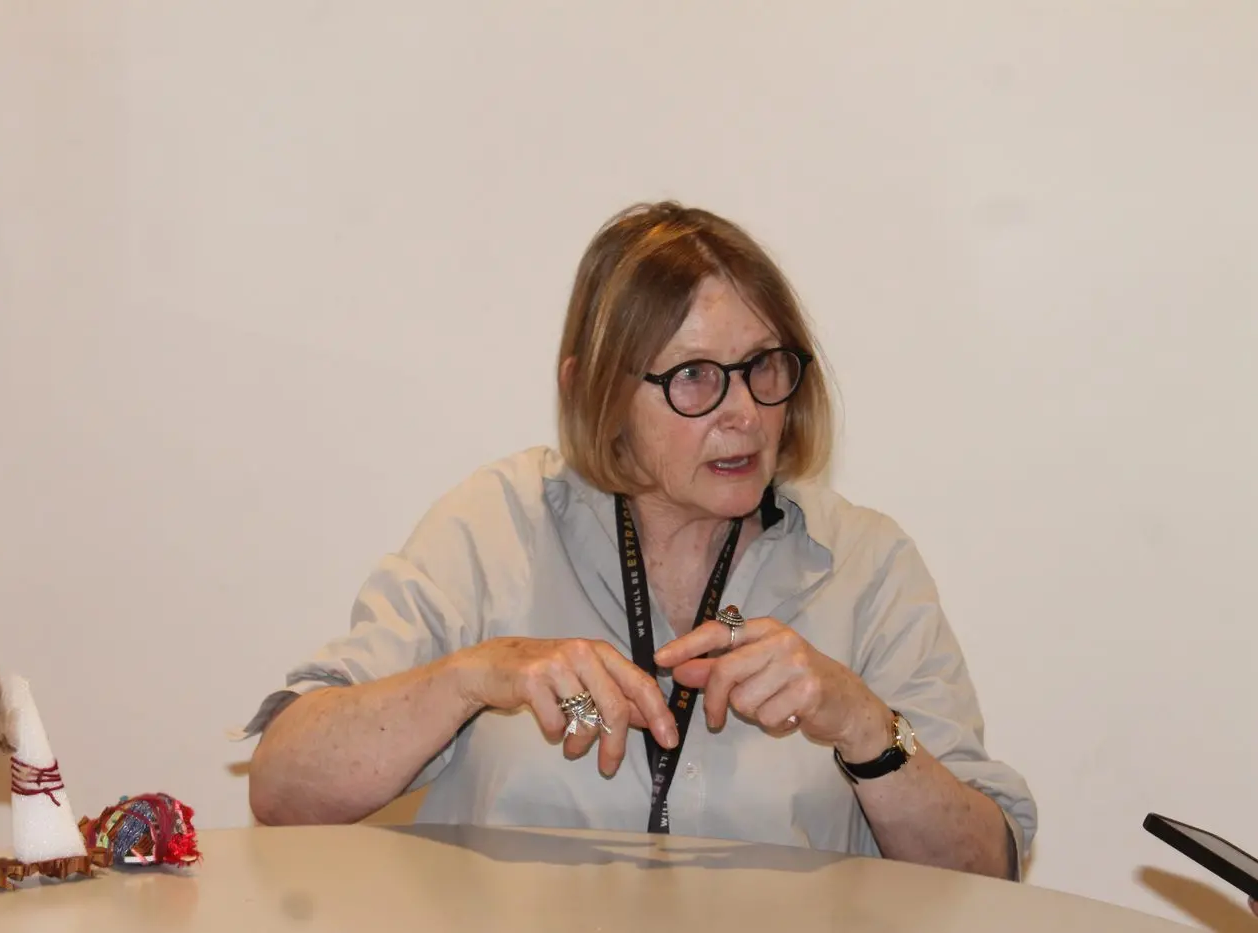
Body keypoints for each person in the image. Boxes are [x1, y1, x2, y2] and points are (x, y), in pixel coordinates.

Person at [237, 201, 1037, 880]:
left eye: (764, 366)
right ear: (595, 389)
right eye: (692, 375)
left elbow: (986, 870)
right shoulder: (494, 526)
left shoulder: (865, 565)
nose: (744, 413)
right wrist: (472, 676)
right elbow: (283, 787)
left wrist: (863, 724)